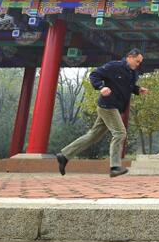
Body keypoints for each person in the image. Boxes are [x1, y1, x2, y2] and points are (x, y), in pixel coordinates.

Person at [56, 48, 147, 177]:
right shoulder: (113, 66)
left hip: (116, 107)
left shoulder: (133, 73)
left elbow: (128, 86)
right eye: (137, 61)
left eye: (140, 62)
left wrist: (138, 90)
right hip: (108, 105)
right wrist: (101, 87)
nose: (138, 64)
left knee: (94, 135)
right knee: (120, 133)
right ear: (130, 57)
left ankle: (64, 155)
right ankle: (115, 167)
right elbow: (94, 75)